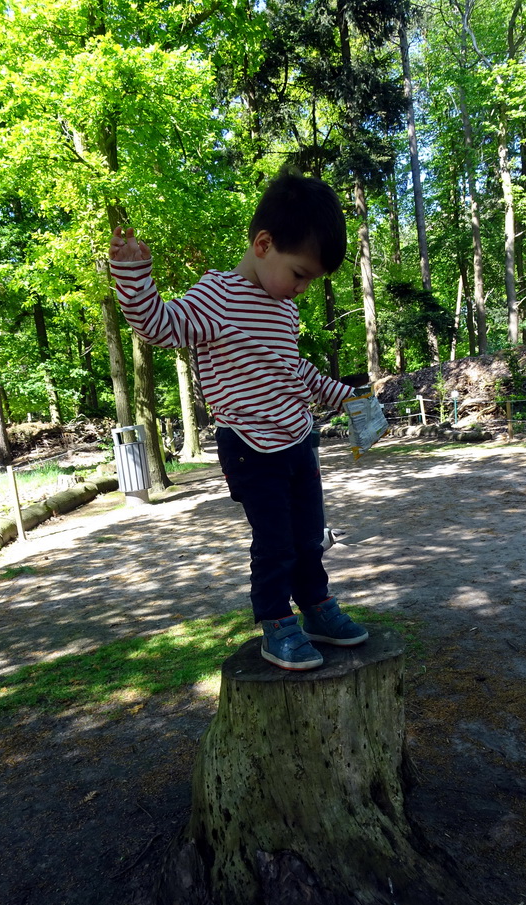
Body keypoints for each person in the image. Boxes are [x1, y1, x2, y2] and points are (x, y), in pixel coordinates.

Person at [108, 171, 368, 670]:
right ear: (264, 245)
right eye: (300, 274)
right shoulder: (219, 296)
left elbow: (293, 369)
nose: (303, 289)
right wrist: (135, 278)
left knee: (310, 534)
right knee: (275, 541)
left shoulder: (284, 312)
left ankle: (316, 608)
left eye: (311, 280)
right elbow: (159, 325)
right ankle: (276, 623)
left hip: (297, 440)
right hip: (249, 445)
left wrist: (342, 396)